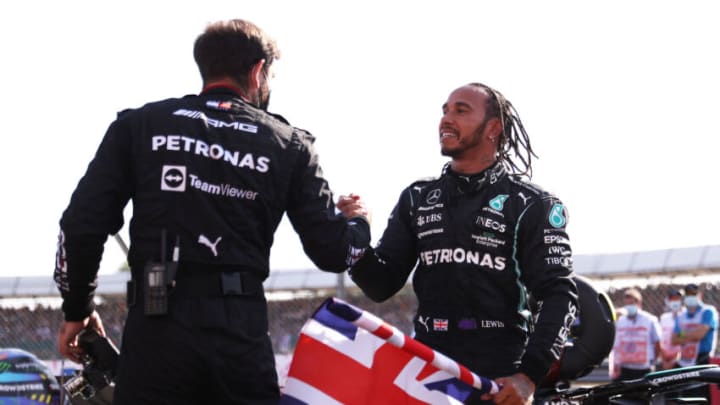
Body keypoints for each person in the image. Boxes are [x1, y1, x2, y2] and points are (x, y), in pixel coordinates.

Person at [54, 19, 371, 404]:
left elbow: (79, 225)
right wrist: (358, 223)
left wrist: (78, 309)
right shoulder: (289, 144)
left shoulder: (139, 125)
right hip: (238, 333)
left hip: (156, 326)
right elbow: (335, 253)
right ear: (258, 71)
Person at [342, 82, 578, 405]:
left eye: (461, 110)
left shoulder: (531, 204)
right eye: (445, 110)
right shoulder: (418, 197)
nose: (446, 119)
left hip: (498, 379)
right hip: (428, 370)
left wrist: (528, 376)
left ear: (493, 129)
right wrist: (356, 230)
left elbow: (560, 294)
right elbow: (380, 284)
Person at [672, 283, 719, 400]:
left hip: (702, 360)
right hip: (685, 361)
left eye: (693, 294)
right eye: (688, 295)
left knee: (702, 397)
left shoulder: (708, 311)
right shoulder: (681, 315)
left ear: (700, 295)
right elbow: (673, 339)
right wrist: (691, 334)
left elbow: (699, 335)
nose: (690, 297)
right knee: (685, 397)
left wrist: (683, 334)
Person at [609, 288, 662, 381]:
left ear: (639, 303)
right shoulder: (620, 321)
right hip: (624, 369)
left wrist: (652, 361)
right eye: (627, 304)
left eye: (632, 304)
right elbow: (616, 345)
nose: (629, 307)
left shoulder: (650, 320)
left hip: (644, 369)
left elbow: (658, 343)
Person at [658, 287, 684, 370]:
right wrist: (664, 356)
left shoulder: (687, 317)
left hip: (681, 361)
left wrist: (675, 356)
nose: (675, 301)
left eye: (677, 299)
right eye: (672, 299)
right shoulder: (664, 318)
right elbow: (660, 339)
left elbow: (683, 338)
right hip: (665, 359)